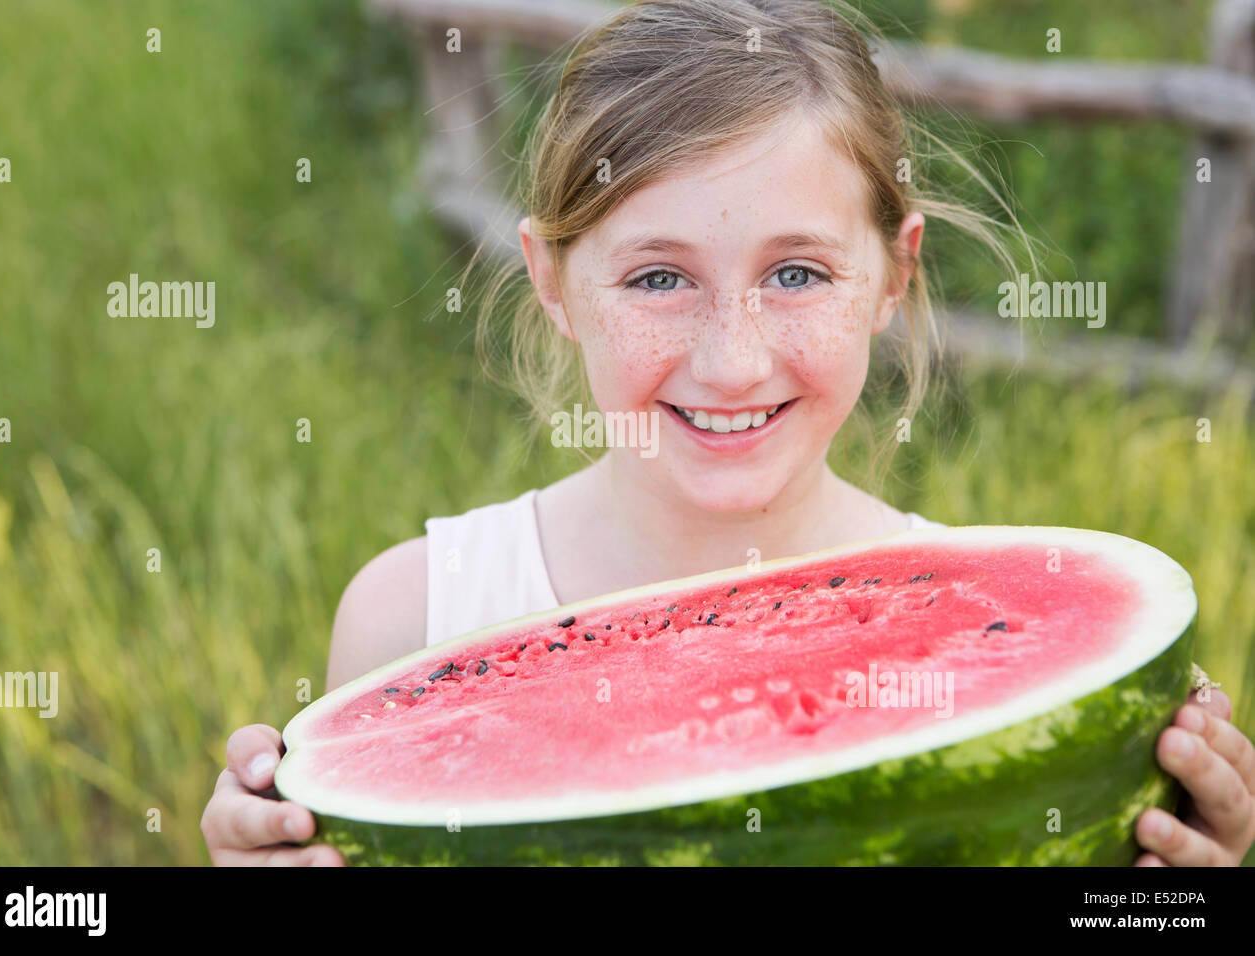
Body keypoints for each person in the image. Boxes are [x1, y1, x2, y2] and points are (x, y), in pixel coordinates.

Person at [200, 0, 1255, 866]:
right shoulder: (414, 618)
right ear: (552, 280)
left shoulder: (984, 642)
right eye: (658, 277)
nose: (732, 361)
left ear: (895, 273)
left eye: (795, 273)